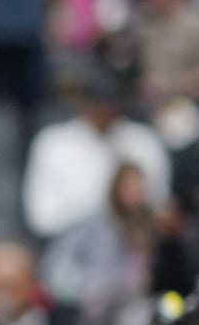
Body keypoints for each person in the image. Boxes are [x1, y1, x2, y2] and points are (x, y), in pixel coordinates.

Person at [23, 66, 169, 240]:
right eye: (98, 103)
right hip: (70, 249)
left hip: (133, 244)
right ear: (84, 102)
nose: (104, 110)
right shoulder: (53, 142)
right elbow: (41, 218)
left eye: (110, 102)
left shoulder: (144, 141)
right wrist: (96, 220)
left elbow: (159, 207)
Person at [40, 162, 157, 325]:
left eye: (139, 188)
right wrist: (80, 289)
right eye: (129, 187)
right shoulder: (94, 225)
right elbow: (57, 262)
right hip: (94, 307)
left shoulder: (150, 227)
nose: (135, 195)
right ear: (116, 188)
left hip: (132, 308)